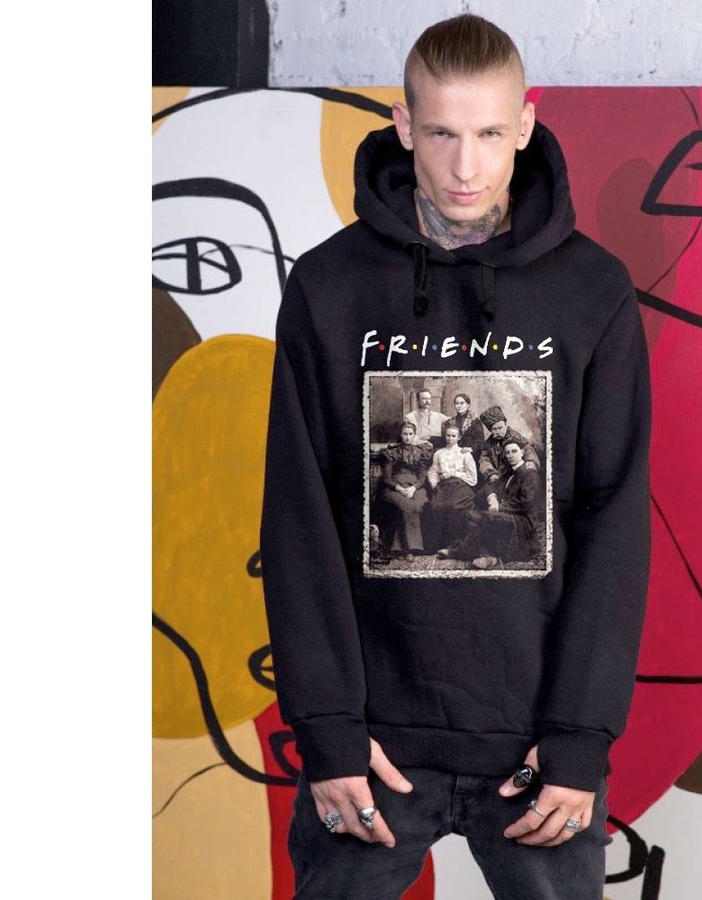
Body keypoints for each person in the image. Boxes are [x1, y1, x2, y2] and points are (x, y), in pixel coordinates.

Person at [261, 13, 651, 900]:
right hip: (372, 751)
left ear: (526, 126)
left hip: (536, 751)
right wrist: (327, 730)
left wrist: (579, 737)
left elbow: (615, 525)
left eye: (489, 134)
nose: (465, 166)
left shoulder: (591, 291)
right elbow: (299, 521)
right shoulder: (329, 287)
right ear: (404, 127)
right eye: (440, 133)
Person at [438, 440, 540, 568]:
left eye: (514, 451)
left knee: (488, 517)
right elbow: (490, 486)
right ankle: (486, 554)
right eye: (507, 452)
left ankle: (459, 552)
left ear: (522, 452)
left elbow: (525, 503)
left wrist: (499, 507)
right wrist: (492, 498)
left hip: (522, 520)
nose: (510, 455)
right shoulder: (508, 472)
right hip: (507, 514)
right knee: (470, 515)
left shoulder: (529, 473)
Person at [379, 421, 432, 557]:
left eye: (410, 434)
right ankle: (410, 549)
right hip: (395, 487)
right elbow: (387, 479)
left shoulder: (421, 452)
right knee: (408, 505)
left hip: (415, 487)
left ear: (414, 435)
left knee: (420, 503)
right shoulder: (392, 453)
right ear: (400, 435)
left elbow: (422, 477)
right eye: (405, 434)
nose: (407, 437)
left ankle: (400, 547)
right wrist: (400, 489)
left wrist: (413, 488)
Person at [427, 423, 478, 546]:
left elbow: (473, 478)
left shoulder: (465, 453)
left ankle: (456, 543)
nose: (450, 439)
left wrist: (453, 473)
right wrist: (435, 485)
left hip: (461, 486)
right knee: (436, 506)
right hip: (444, 486)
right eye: (448, 435)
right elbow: (433, 471)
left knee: (453, 506)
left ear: (459, 437)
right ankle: (442, 543)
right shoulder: (439, 453)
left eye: (453, 436)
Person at [478, 405, 541, 485]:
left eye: (500, 428)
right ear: (490, 430)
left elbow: (527, 448)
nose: (498, 432)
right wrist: (490, 473)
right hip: (496, 477)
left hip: (514, 476)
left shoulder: (515, 436)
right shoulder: (489, 443)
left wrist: (531, 461)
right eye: (494, 429)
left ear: (506, 425)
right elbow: (484, 459)